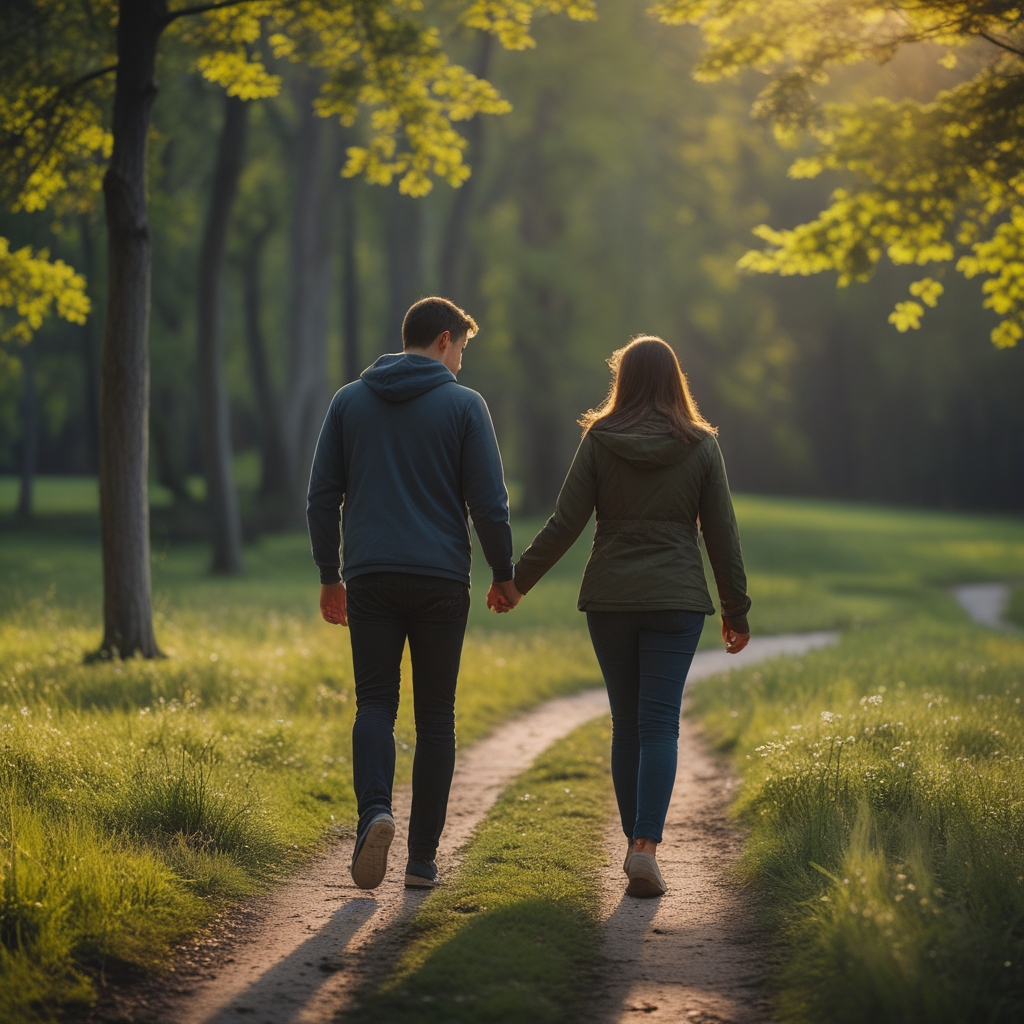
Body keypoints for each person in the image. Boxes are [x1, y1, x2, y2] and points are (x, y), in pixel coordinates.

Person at [497, 335, 751, 897]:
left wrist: (517, 582)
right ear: (676, 381)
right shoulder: (702, 445)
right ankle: (645, 847)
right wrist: (736, 610)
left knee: (627, 723)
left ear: (624, 380)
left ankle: (633, 844)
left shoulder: (601, 440)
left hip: (611, 599)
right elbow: (722, 535)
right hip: (677, 599)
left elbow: (566, 522)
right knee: (660, 723)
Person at [307, 297, 520, 891]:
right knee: (436, 718)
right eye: (462, 353)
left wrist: (331, 575)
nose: (460, 366)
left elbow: (321, 497)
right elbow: (488, 503)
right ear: (445, 339)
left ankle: (375, 812)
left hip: (370, 575)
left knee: (375, 704)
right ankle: (422, 860)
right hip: (441, 580)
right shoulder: (464, 406)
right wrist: (504, 574)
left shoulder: (349, 401)